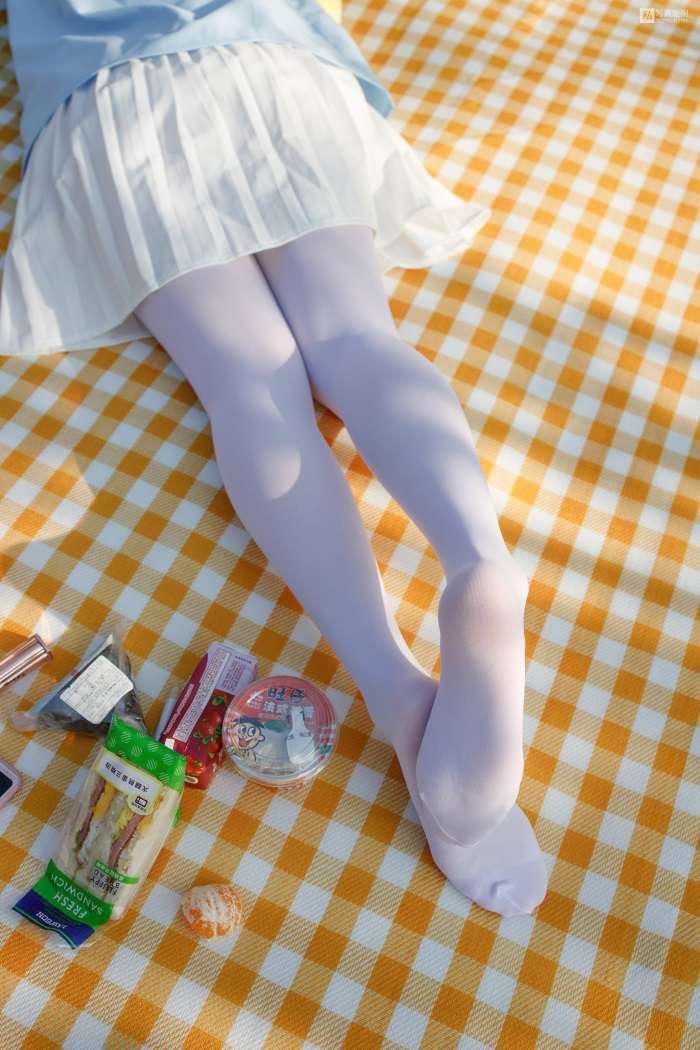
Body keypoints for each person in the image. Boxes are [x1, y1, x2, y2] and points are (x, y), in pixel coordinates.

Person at [0, 1, 548, 916]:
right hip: (271, 73)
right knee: (357, 338)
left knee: (253, 385)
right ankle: (479, 562)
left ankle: (394, 690)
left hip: (120, 111)